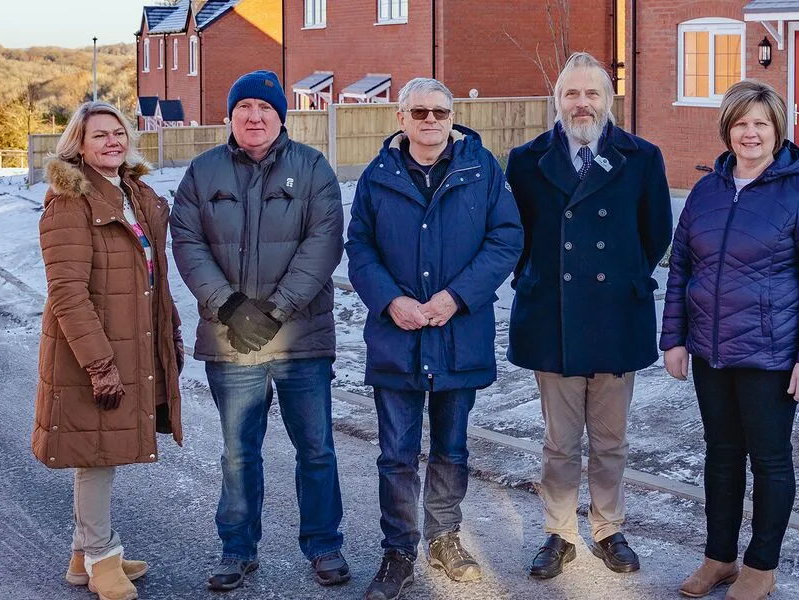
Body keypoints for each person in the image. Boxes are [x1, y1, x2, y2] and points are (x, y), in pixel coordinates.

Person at [660, 79, 799, 600]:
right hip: (710, 352)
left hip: (772, 356)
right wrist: (674, 339)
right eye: (741, 123)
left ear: (777, 129)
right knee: (720, 455)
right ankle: (719, 558)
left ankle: (761, 566)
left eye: (761, 123)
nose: (750, 133)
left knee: (769, 460)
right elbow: (681, 269)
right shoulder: (707, 192)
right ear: (727, 129)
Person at [168, 70, 349, 592]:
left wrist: (275, 311)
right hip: (231, 342)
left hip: (301, 339)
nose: (254, 116)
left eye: (265, 108)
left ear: (281, 117)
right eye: (244, 107)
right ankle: (237, 549)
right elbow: (187, 243)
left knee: (316, 449)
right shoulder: (203, 172)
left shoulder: (312, 168)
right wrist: (230, 307)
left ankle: (324, 544)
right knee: (238, 453)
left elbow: (324, 243)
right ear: (230, 116)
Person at [346, 77, 523, 600]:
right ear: (400, 118)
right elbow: (359, 247)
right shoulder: (377, 176)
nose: (430, 121)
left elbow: (506, 238)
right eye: (419, 112)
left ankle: (444, 538)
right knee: (396, 454)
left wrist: (456, 297)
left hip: (457, 331)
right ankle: (398, 551)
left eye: (440, 113)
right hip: (396, 336)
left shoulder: (482, 169)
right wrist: (389, 300)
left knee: (451, 447)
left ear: (452, 118)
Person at [505, 51, 673, 580]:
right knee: (559, 441)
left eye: (592, 93)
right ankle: (559, 532)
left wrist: (624, 277)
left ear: (608, 100)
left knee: (610, 440)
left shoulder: (641, 158)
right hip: (551, 317)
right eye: (571, 94)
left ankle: (608, 528)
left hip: (616, 316)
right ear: (557, 101)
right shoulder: (526, 160)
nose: (582, 103)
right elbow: (515, 236)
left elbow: (656, 233)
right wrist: (536, 278)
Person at [32, 100, 185, 600]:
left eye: (118, 133)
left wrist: (170, 333)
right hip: (91, 354)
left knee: (100, 452)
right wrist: (100, 366)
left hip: (131, 343)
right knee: (95, 455)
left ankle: (84, 556)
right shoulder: (69, 203)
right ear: (78, 145)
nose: (112, 142)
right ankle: (101, 557)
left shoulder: (133, 194)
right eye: (99, 135)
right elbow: (67, 294)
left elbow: (153, 278)